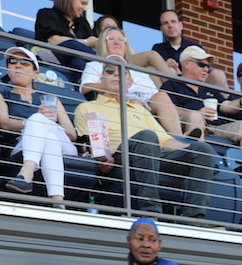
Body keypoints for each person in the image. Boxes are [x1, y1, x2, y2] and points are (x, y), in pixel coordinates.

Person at [72, 66, 217, 220]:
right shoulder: (87, 107)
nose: (116, 73)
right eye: (109, 71)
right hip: (119, 158)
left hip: (152, 154)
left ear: (130, 82)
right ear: (102, 80)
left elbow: (166, 141)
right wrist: (101, 159)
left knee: (204, 150)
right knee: (147, 137)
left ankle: (194, 220)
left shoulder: (140, 109)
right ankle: (151, 212)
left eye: (122, 72)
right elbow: (86, 144)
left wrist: (191, 149)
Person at [0, 46, 80, 202]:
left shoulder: (51, 99)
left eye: (24, 62)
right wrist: (31, 122)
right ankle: (58, 203)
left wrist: (44, 122)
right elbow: (3, 123)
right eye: (12, 61)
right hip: (20, 145)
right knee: (48, 138)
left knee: (42, 124)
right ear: (7, 69)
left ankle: (26, 173)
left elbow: (72, 134)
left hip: (64, 146)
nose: (17, 65)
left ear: (35, 74)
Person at [77, 27, 182, 138]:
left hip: (148, 108)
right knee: (135, 103)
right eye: (111, 39)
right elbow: (85, 87)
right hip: (122, 105)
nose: (117, 42)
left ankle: (180, 139)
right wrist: (115, 84)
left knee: (162, 96)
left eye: (121, 40)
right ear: (103, 43)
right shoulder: (96, 65)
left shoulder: (138, 71)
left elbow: (154, 95)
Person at [33, 0, 94, 66]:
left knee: (78, 61)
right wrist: (86, 42)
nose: (85, 9)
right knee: (72, 45)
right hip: (47, 59)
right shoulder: (47, 14)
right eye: (82, 3)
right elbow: (54, 40)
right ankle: (107, 64)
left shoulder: (82, 23)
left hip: (72, 63)